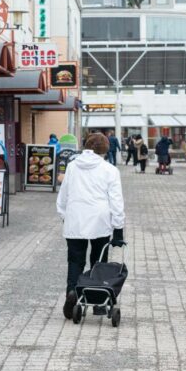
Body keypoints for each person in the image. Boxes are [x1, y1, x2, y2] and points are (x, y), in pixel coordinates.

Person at [56, 133, 125, 319]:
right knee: (98, 261)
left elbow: (63, 195)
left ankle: (72, 292)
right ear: (105, 149)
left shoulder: (72, 166)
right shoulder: (110, 170)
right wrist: (118, 228)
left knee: (75, 261)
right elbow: (116, 201)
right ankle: (99, 303)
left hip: (75, 218)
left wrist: (64, 215)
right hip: (100, 220)